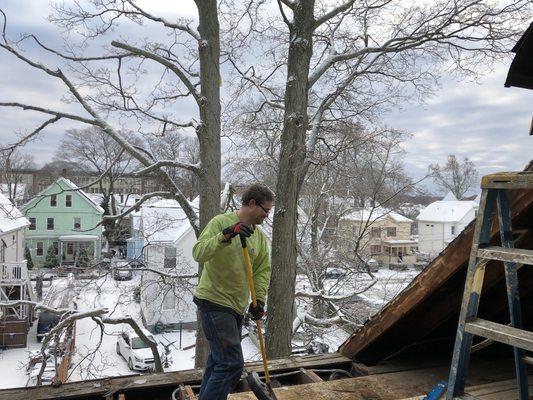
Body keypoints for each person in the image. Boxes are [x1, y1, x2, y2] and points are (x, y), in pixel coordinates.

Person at [192, 183, 274, 400]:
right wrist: (226, 235)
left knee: (219, 362)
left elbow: (261, 272)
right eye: (265, 210)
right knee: (231, 364)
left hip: (235, 307)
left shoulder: (259, 238)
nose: (267, 215)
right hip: (214, 301)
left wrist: (259, 301)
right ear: (252, 204)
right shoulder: (221, 222)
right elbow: (198, 252)